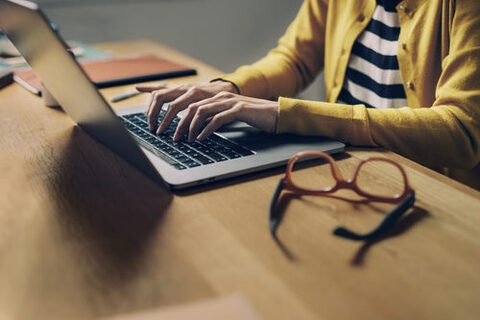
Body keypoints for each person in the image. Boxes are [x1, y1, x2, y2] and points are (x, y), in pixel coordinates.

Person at [136, 0, 480, 189]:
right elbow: (295, 59)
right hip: (348, 161)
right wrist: (230, 89)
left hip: (431, 185)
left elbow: (462, 130)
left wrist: (287, 115)